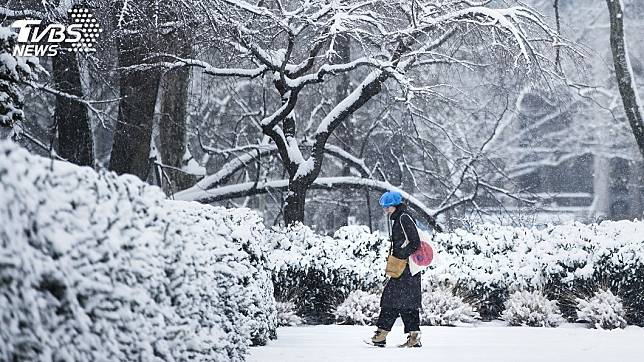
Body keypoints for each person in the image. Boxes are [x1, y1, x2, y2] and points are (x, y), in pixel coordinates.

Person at [370, 191, 422, 348]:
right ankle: (413, 337)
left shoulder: (403, 217)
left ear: (395, 205)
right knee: (407, 303)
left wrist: (400, 256)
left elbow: (415, 242)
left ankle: (381, 334)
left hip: (405, 268)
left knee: (391, 299)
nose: (385, 210)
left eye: (387, 207)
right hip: (406, 269)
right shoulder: (400, 217)